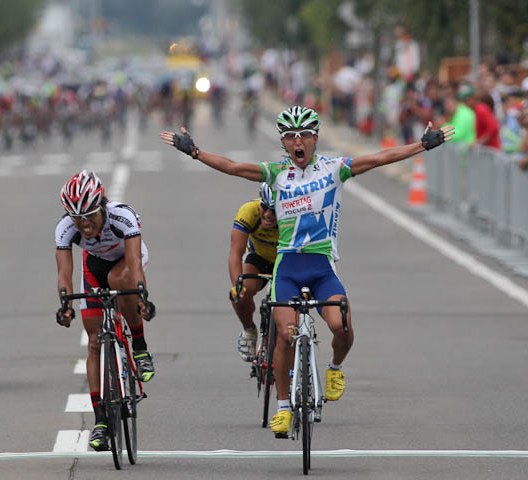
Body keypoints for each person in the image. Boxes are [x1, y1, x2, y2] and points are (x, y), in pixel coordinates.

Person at [160, 106, 454, 436]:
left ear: (315, 138)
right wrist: (195, 152)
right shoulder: (276, 173)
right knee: (285, 335)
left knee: (340, 324)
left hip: (320, 265)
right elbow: (232, 167)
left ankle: (335, 368)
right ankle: (284, 407)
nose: (297, 142)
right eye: (289, 137)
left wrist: (422, 145)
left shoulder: (334, 169)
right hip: (287, 266)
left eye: (303, 136)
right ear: (284, 143)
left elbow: (379, 158)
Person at [55, 169, 155, 451]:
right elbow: (65, 273)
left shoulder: (122, 217)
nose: (84, 224)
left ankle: (140, 346)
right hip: (94, 266)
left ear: (101, 205)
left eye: (89, 216)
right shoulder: (66, 227)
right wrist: (65, 305)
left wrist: (141, 297)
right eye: (77, 218)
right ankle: (101, 421)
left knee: (119, 280)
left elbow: (135, 263)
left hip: (126, 260)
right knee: (95, 341)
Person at [230, 183, 279, 362]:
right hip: (258, 259)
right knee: (240, 294)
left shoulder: (294, 216)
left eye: (274, 211)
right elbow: (235, 253)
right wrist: (237, 285)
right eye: (264, 207)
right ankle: (249, 329)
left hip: (286, 261)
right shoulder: (249, 211)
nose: (267, 214)